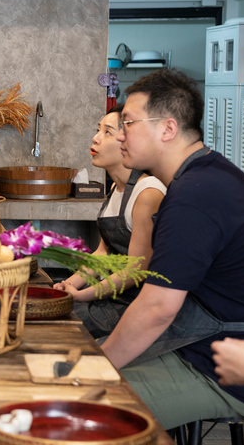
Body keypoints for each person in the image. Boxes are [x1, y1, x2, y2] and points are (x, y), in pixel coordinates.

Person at [98, 69, 244, 430]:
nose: (120, 134)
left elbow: (158, 308)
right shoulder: (206, 175)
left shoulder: (195, 195)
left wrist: (95, 366)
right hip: (201, 343)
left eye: (127, 122)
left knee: (90, 403)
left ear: (167, 129)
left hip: (235, 365)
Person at [53, 106, 165, 338]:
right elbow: (103, 254)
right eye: (97, 130)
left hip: (135, 305)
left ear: (127, 142)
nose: (95, 138)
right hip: (113, 295)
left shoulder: (148, 192)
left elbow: (137, 269)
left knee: (57, 328)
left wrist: (82, 295)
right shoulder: (115, 188)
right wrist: (68, 286)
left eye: (107, 132)